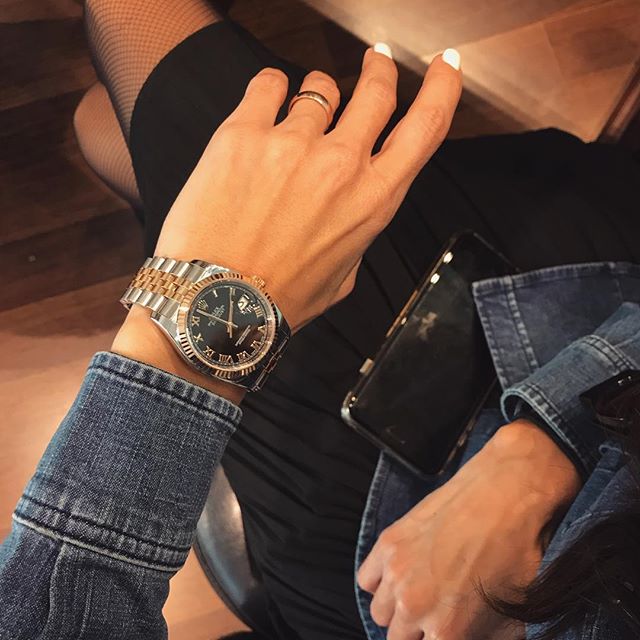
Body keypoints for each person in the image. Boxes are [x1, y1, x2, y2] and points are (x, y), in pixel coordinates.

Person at [1, 1, 640, 639]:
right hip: (604, 373)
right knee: (113, 124)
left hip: (359, 576)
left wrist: (189, 330)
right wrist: (544, 455)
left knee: (130, 36)